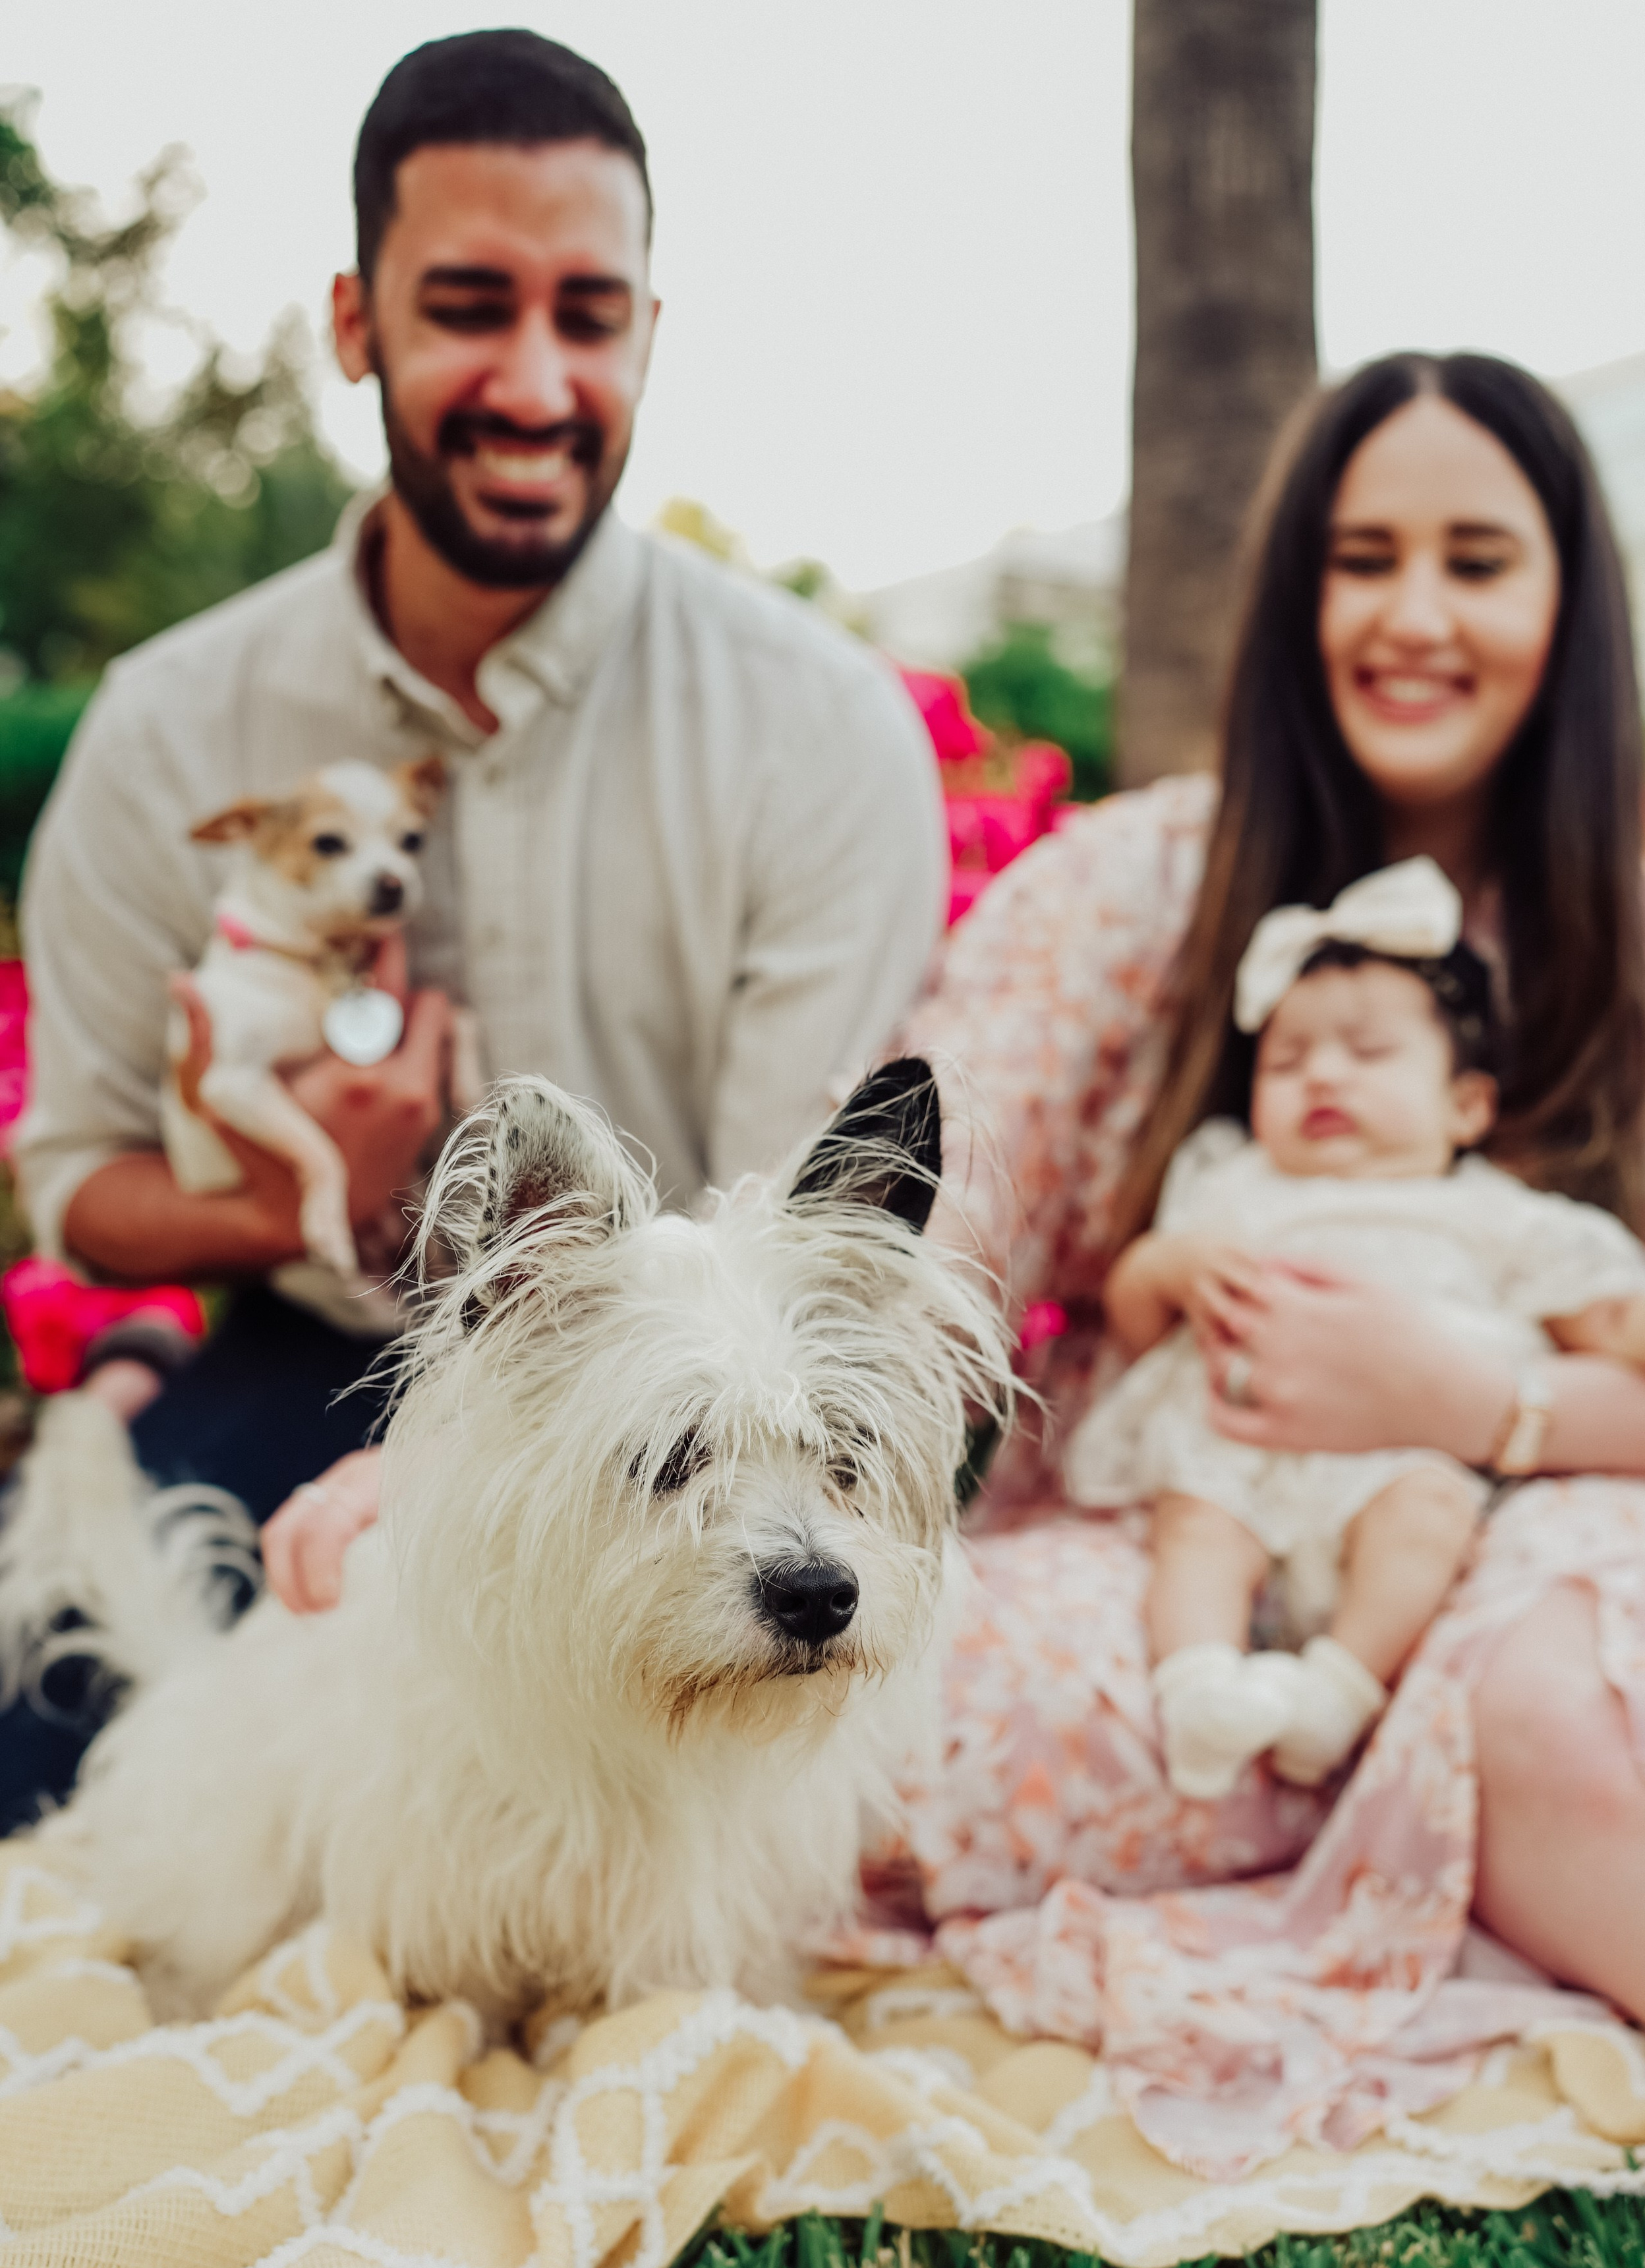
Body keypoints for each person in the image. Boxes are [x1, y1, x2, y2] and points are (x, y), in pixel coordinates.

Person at [3, 30, 944, 1816]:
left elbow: (790, 1247)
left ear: (648, 330)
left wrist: (461, 1479)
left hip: (696, 1405)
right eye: (466, 307)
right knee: (46, 1757)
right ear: (354, 322)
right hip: (312, 1359)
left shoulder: (821, 728)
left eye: (587, 314)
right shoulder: (169, 727)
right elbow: (76, 1181)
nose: (533, 380)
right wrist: (284, 1205)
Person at [867, 349, 1645, 2176]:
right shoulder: (1135, 885)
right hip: (1181, 1543)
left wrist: (1483, 1403)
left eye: (1476, 561)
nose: (1413, 615)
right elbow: (923, 1218)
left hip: (1534, 1531)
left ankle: (1478, 1817)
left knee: (1550, 1710)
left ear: (1568, 602)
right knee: (885, 1727)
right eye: (1362, 558)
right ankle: (1385, 1826)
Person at [1066, 858, 1645, 1803]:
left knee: (1429, 1522)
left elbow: (1611, 1316)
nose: (1322, 1073)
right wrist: (1171, 1268)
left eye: (1368, 1053)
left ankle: (1337, 1694)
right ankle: (1198, 1688)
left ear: (1466, 1105)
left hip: (1398, 1460)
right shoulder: (1233, 1182)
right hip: (1238, 1452)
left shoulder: (1495, 1216)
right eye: (1287, 1060)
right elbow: (1136, 1319)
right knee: (1195, 1529)